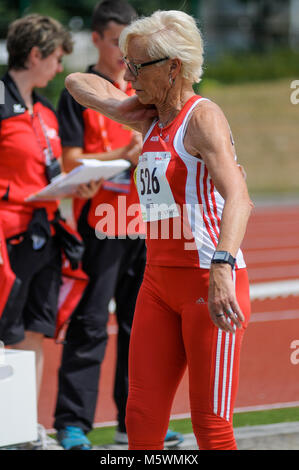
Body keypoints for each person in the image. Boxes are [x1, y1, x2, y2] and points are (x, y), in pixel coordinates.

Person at [65, 9, 254, 450]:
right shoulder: (149, 117)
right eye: (125, 63)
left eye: (137, 66)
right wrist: (120, 105)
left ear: (173, 67)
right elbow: (77, 84)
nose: (127, 73)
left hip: (209, 282)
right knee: (142, 416)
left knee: (211, 425)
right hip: (158, 283)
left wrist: (224, 266)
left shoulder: (202, 118)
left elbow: (240, 198)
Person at [54, 0, 183, 450]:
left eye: (132, 48)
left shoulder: (145, 91)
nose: (124, 56)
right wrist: (119, 158)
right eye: (116, 44)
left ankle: (137, 423)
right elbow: (70, 161)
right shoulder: (85, 93)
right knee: (91, 323)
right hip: (102, 225)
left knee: (142, 329)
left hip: (145, 226)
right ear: (97, 39)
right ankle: (73, 423)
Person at [0, 14, 86, 449]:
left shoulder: (45, 110)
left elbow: (52, 168)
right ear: (35, 54)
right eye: (55, 58)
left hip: (45, 234)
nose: (59, 67)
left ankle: (24, 426)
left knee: (36, 330)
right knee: (6, 333)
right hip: (6, 236)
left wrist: (78, 182)